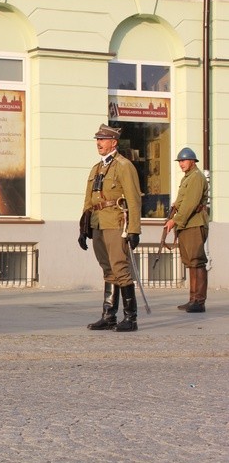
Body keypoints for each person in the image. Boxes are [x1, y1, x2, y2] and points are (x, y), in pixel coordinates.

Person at [78, 124, 142, 332]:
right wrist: (83, 228)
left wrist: (134, 229)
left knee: (120, 269)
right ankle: (109, 316)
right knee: (108, 269)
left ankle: (130, 318)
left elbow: (133, 200)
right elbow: (89, 200)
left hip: (115, 223)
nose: (98, 143)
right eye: (97, 139)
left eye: (103, 139)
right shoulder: (97, 168)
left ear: (113, 142)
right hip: (98, 223)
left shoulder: (123, 166)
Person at [165, 147, 209, 312]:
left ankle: (199, 301)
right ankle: (193, 299)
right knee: (191, 262)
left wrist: (174, 221)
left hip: (195, 223)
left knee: (197, 261)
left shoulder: (196, 177)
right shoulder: (188, 178)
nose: (181, 164)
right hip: (187, 224)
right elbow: (182, 201)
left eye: (183, 161)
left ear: (193, 161)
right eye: (180, 161)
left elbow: (190, 203)